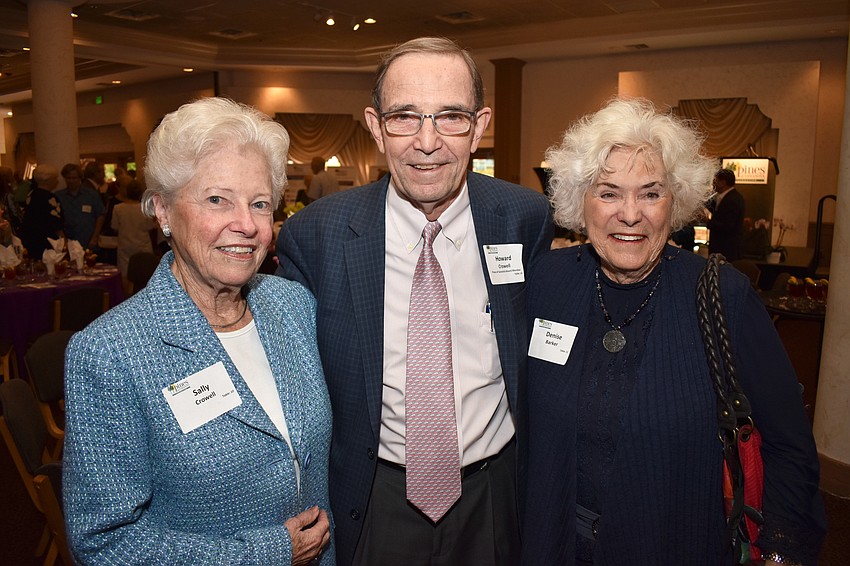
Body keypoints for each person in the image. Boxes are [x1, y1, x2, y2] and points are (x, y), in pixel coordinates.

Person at [277, 37, 553, 565]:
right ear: (376, 126)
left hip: (494, 492)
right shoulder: (317, 235)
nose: (428, 142)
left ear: (480, 125)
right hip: (373, 496)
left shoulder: (524, 217)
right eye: (405, 117)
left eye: (450, 117)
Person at [522, 97, 825, 565]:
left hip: (675, 541)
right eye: (608, 193)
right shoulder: (548, 281)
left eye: (650, 193)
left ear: (676, 199)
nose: (629, 213)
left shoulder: (725, 296)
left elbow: (788, 444)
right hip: (552, 540)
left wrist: (780, 552)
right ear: (579, 202)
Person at [63, 97, 334, 565]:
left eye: (260, 204)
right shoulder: (110, 353)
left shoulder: (293, 306)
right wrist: (268, 553)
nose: (245, 224)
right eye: (216, 200)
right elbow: (104, 542)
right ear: (163, 211)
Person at [110, 178, 157, 293]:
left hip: (125, 245)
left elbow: (114, 227)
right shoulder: (145, 208)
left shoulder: (118, 208)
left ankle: (127, 298)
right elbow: (151, 227)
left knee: (125, 276)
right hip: (143, 245)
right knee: (146, 275)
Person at [57, 162, 106, 249]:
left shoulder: (91, 194)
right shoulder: (59, 196)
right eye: (68, 178)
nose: (71, 181)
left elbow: (100, 215)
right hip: (68, 241)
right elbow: (55, 220)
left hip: (88, 240)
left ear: (80, 178)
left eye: (74, 178)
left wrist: (95, 238)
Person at [20, 164, 64, 259]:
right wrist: (63, 240)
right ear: (48, 180)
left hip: (30, 239)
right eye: (55, 178)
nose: (57, 181)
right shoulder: (50, 198)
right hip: (48, 241)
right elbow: (56, 223)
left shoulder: (30, 195)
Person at [706, 168, 745, 261]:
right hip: (725, 248)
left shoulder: (732, 200)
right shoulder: (727, 197)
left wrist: (708, 221)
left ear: (722, 182)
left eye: (715, 180)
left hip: (726, 249)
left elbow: (728, 226)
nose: (713, 184)